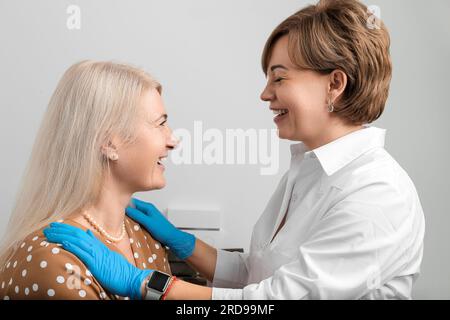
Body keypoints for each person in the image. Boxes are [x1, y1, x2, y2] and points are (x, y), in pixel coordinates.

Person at [44, 0, 425, 300]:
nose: (265, 94)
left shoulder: (376, 194)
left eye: (279, 77)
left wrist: (146, 284)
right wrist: (186, 244)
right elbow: (255, 275)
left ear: (334, 84)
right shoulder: (307, 171)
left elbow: (268, 301)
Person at [0, 60, 178, 300]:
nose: (173, 140)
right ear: (108, 143)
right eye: (161, 124)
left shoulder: (144, 236)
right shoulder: (54, 262)